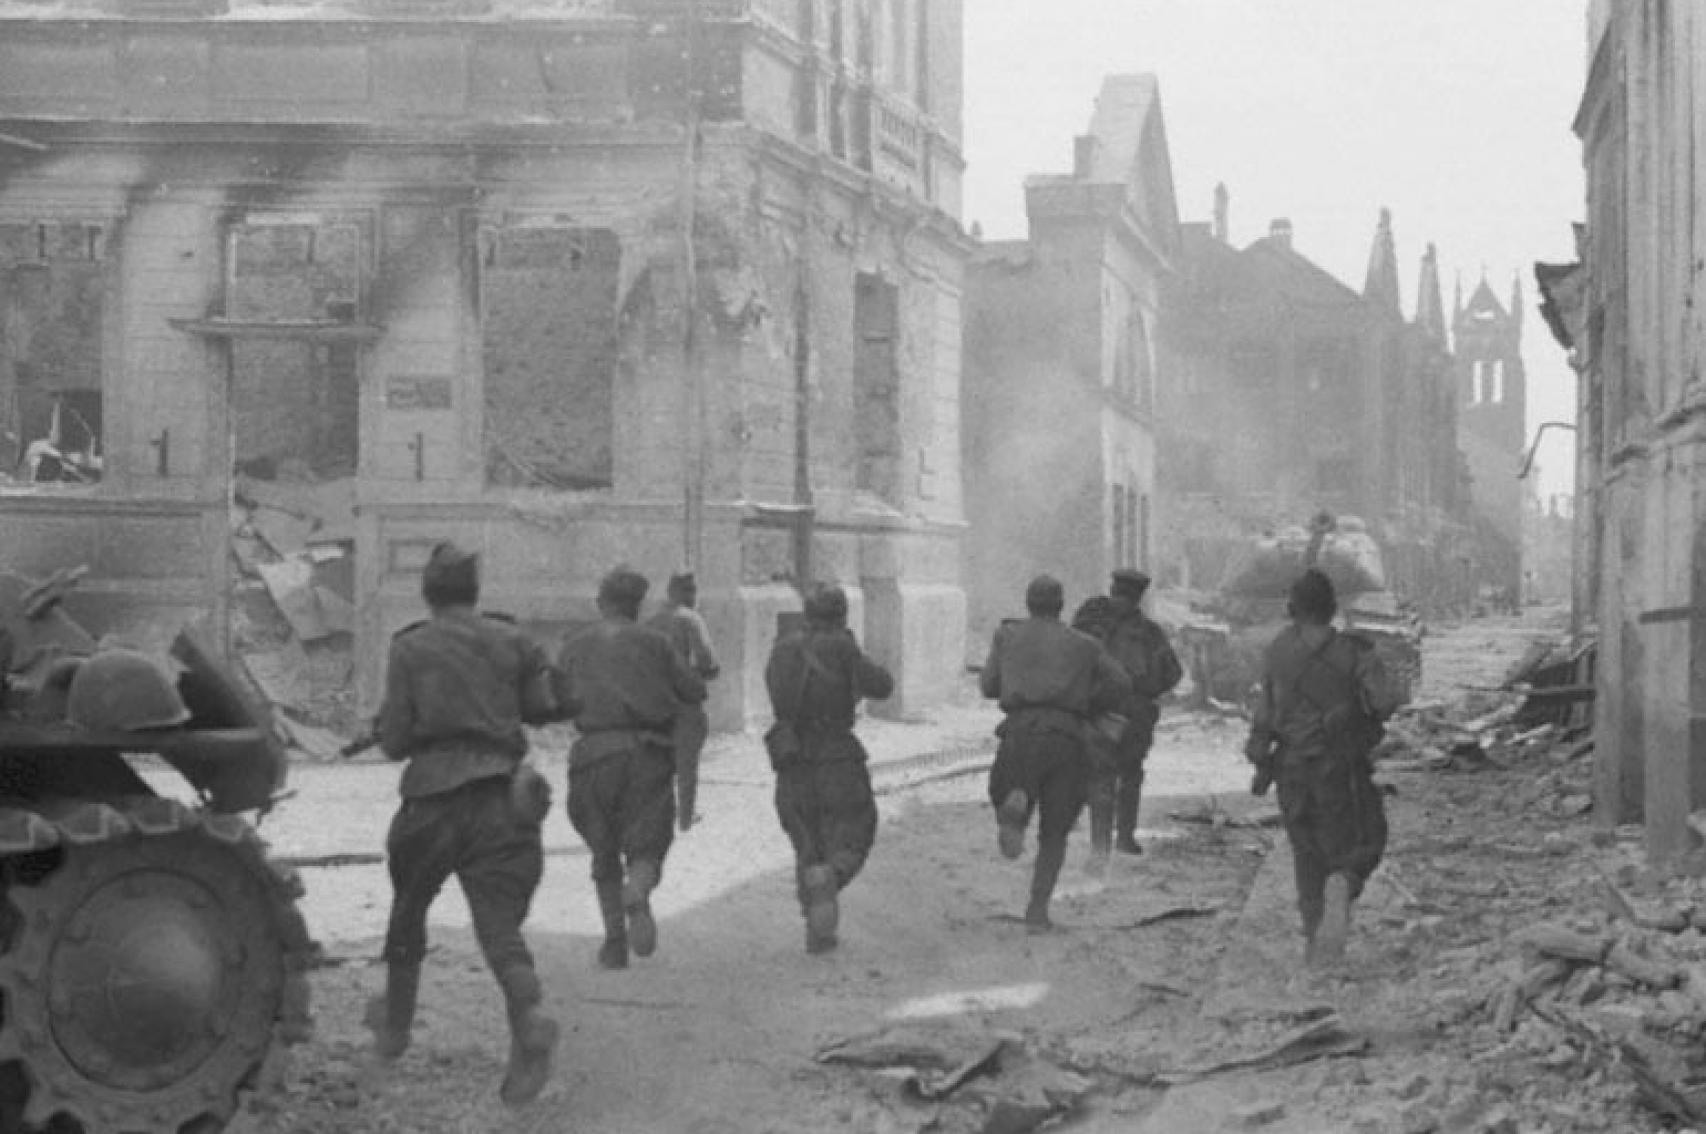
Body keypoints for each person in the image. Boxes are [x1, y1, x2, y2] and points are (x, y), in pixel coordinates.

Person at [368, 542, 560, 1107]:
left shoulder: (409, 647)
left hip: (431, 800)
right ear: (475, 592)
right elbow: (539, 707)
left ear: (429, 593)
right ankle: (530, 1019)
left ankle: (395, 1031)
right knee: (500, 931)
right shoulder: (513, 639)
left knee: (408, 916)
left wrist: (392, 728)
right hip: (503, 798)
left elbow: (397, 740)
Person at [1244, 568, 1398, 966]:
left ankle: (1315, 945)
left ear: (1293, 609)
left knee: (1305, 853)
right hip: (1341, 767)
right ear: (1332, 609)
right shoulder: (1355, 651)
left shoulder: (1277, 650)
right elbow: (1384, 702)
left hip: (1291, 768)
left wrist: (1262, 757)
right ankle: (1344, 884)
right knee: (1366, 840)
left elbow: (1263, 716)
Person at [556, 566, 707, 970]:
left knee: (603, 852)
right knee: (647, 846)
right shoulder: (656, 643)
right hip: (647, 755)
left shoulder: (575, 643)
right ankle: (637, 889)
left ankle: (614, 944)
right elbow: (695, 689)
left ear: (601, 603)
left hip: (592, 757)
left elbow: (554, 700)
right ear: (638, 606)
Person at [980, 575, 1128, 930]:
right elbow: (1122, 682)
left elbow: (988, 686)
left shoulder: (1007, 636)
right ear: (1061, 606)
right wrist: (1087, 700)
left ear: (1028, 602)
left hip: (1018, 731)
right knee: (1055, 830)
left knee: (1003, 787)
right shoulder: (1085, 644)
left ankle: (1014, 806)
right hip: (1066, 736)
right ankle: (1037, 910)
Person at [764, 584, 894, 954]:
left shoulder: (782, 648)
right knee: (856, 829)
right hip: (837, 755)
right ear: (841, 615)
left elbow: (775, 691)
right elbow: (881, 686)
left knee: (807, 840)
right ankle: (832, 879)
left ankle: (817, 931)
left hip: (791, 756)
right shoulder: (842, 646)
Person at [1071, 569, 1182, 868]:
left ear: (1113, 589)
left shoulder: (1089, 622)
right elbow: (1172, 673)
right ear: (1139, 597)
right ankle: (1125, 837)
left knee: (1099, 777)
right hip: (1134, 712)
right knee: (1130, 774)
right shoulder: (1149, 632)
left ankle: (1100, 845)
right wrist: (1147, 690)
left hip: (1097, 710)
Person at [646, 571, 721, 832]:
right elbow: (708, 661)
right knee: (687, 763)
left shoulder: (651, 622)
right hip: (685, 702)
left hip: (654, 704)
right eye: (692, 591)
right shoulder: (691, 620)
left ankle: (661, 814)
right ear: (688, 592)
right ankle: (686, 817)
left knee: (659, 761)